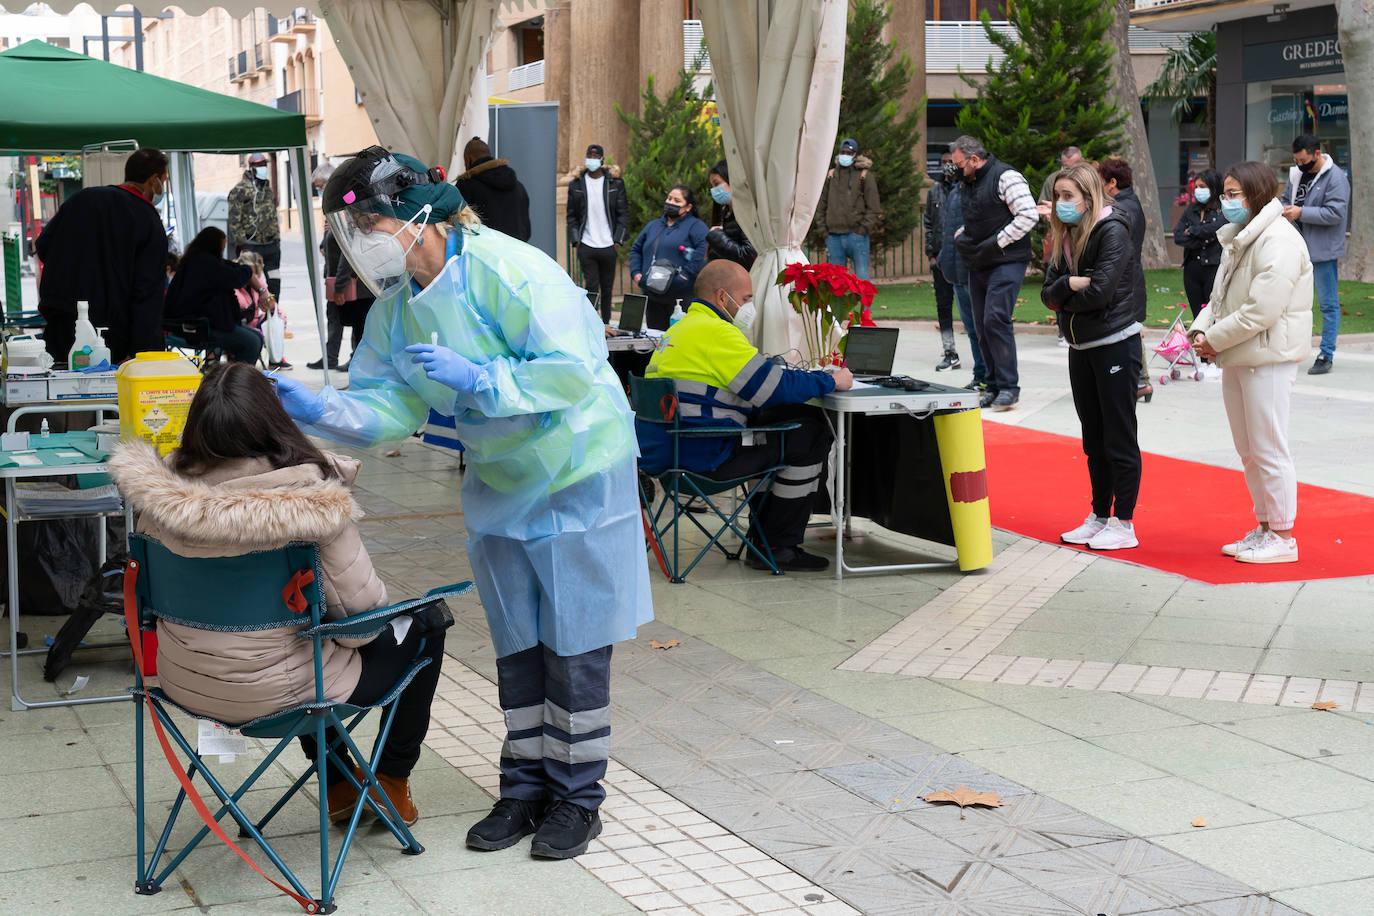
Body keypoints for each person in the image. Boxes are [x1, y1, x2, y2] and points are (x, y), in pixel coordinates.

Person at [269, 146, 652, 859]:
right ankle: (524, 789)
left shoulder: (513, 270)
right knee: (519, 643)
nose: (365, 244)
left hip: (576, 469)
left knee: (574, 643)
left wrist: (482, 378)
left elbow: (573, 369)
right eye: (355, 233)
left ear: (419, 216)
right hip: (503, 480)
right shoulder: (397, 311)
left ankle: (577, 797)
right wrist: (319, 407)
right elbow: (388, 409)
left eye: (371, 225)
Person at [108, 362, 446, 825]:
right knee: (426, 624)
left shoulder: (157, 497)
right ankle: (389, 781)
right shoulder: (312, 503)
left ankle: (342, 784)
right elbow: (363, 625)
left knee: (302, 642)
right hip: (285, 696)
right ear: (274, 420)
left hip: (185, 684)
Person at [639, 259, 852, 570]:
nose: (750, 306)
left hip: (668, 456)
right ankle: (778, 545)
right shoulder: (716, 333)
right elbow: (771, 388)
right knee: (809, 434)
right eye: (747, 299)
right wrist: (831, 379)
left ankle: (761, 539)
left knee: (775, 432)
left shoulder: (678, 330)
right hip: (707, 457)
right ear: (722, 297)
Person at [1190, 161, 1312, 564]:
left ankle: (1283, 535)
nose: (1225, 201)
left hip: (1268, 357)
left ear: (1256, 194)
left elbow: (1263, 310)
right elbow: (1219, 297)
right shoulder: (1241, 237)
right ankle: (1265, 526)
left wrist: (1214, 339)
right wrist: (1200, 332)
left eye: (1232, 194)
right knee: (1248, 449)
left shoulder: (1278, 240)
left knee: (1269, 446)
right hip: (1240, 354)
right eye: (1224, 194)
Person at [1042, 163, 1144, 552]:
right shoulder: (1066, 234)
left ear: (1089, 197)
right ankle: (1100, 514)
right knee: (1093, 439)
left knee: (1118, 436)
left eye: (1068, 196)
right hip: (1081, 346)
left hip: (1114, 342)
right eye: (1057, 196)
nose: (1060, 204)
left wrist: (1063, 298)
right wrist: (1069, 283)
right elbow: (1047, 292)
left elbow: (1100, 292)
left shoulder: (1113, 230)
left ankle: (1125, 521)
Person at [35, 146, 169, 364]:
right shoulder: (148, 220)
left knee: (62, 393)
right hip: (115, 340)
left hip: (65, 326)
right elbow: (148, 291)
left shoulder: (81, 199)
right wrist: (139, 350)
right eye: (164, 179)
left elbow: (43, 247)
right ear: (154, 180)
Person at [950, 136, 1038, 411]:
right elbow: (978, 216)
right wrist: (963, 234)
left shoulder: (1006, 177)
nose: (956, 170)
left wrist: (996, 242)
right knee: (980, 324)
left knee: (995, 318)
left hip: (1007, 259)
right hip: (980, 260)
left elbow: (1028, 215)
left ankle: (1009, 387)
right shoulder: (970, 182)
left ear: (974, 160)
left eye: (959, 164)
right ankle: (994, 385)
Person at [1283, 134, 1350, 376]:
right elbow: (1284, 200)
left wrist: (1301, 212)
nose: (1300, 165)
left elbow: (1336, 214)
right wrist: (1285, 210)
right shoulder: (1295, 174)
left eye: (1304, 160)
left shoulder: (1336, 178)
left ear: (1317, 154)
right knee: (1290, 303)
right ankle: (1289, 349)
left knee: (1328, 304)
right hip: (1295, 249)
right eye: (1297, 160)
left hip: (1322, 251)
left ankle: (1326, 353)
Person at [163, 227, 265, 364]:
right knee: (252, 342)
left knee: (256, 337)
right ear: (215, 244)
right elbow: (236, 278)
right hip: (198, 327)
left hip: (195, 323)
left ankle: (234, 376)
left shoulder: (195, 260)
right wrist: (247, 270)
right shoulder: (205, 263)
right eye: (222, 245)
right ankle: (237, 379)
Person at [1097, 157, 1151, 402]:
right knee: (1130, 329)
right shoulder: (1128, 202)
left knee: (1128, 330)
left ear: (1112, 183)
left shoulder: (1122, 208)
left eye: (1100, 182)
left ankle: (1140, 381)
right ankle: (1141, 381)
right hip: (1130, 277)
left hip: (1126, 280)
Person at [628, 185, 708, 330]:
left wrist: (685, 275)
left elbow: (703, 251)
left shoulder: (696, 226)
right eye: (669, 198)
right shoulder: (653, 226)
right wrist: (636, 274)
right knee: (656, 340)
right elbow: (636, 249)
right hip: (652, 294)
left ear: (688, 207)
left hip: (680, 296)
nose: (670, 202)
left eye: (677, 201)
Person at [567, 143, 629, 323]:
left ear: (602, 159)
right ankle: (591, 324)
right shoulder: (576, 184)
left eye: (596, 156)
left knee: (608, 288)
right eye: (589, 156)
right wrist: (576, 240)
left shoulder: (615, 184)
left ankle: (607, 323)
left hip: (609, 244)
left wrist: (618, 241)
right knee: (591, 287)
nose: (592, 160)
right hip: (586, 244)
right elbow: (571, 215)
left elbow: (623, 213)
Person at [936, 169, 986, 391]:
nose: (952, 167)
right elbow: (945, 230)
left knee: (982, 329)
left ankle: (988, 377)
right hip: (955, 271)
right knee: (973, 330)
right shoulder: (955, 192)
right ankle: (981, 375)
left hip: (972, 270)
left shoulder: (980, 192)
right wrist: (942, 259)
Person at [815, 137, 881, 284]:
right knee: (836, 282)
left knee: (862, 279)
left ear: (855, 155)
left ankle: (865, 308)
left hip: (857, 236)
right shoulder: (831, 176)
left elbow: (874, 207)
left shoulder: (864, 176)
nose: (845, 155)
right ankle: (840, 308)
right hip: (833, 237)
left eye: (849, 152)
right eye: (843, 152)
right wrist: (824, 231)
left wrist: (862, 230)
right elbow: (821, 205)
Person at [924, 152, 963, 372]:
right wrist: (931, 253)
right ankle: (950, 351)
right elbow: (928, 224)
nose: (948, 166)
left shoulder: (967, 189)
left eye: (952, 163)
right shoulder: (934, 192)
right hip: (940, 257)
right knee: (943, 305)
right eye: (945, 162)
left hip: (964, 258)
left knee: (970, 306)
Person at [453, 136, 532, 242]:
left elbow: (458, 226)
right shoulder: (519, 187)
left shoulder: (466, 186)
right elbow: (526, 231)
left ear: (469, 159)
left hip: (483, 256)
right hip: (515, 255)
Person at [1173, 168, 1226, 321]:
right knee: (1198, 316)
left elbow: (1216, 229)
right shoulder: (1191, 209)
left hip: (1213, 267)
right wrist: (1205, 239)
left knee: (1213, 314)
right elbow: (1178, 236)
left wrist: (1191, 231)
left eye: (1203, 187)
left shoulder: (1222, 209)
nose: (1198, 190)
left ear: (1213, 187)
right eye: (1196, 187)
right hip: (1191, 268)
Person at [228, 153, 282, 299]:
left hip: (270, 246)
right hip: (251, 246)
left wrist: (277, 239)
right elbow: (234, 220)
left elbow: (273, 215)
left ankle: (273, 312)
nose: (263, 168)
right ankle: (254, 316)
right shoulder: (240, 190)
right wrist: (242, 243)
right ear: (251, 168)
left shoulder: (267, 189)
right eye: (259, 165)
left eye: (264, 164)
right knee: (250, 285)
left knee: (275, 283)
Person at [705, 159, 756, 271]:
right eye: (712, 186)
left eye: (717, 184)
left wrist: (717, 237)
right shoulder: (725, 213)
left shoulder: (747, 212)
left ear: (731, 180)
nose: (714, 190)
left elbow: (748, 255)